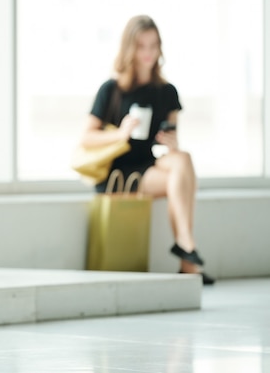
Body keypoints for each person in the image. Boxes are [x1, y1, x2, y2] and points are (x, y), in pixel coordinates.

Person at [80, 15, 214, 285]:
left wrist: (171, 143)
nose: (148, 53)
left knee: (182, 158)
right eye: (141, 46)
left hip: (150, 163)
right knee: (183, 172)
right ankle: (187, 255)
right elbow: (85, 137)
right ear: (130, 48)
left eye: (153, 46)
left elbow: (170, 146)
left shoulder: (167, 92)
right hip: (120, 172)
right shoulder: (112, 89)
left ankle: (185, 246)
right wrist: (121, 133)